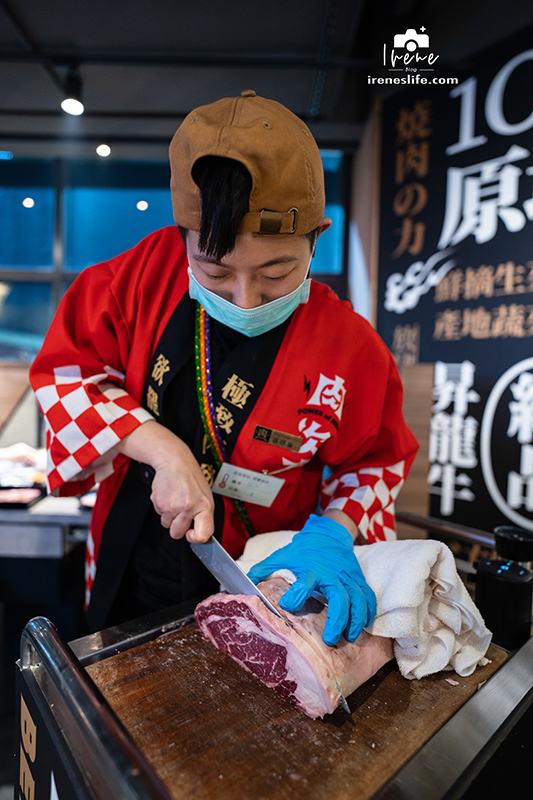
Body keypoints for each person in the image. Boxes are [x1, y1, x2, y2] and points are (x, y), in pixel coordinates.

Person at [30, 90, 418, 642]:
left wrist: (334, 532)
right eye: (214, 272)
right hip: (130, 549)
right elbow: (68, 374)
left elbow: (377, 460)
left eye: (277, 271)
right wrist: (163, 451)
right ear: (184, 239)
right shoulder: (141, 276)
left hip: (265, 576)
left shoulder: (351, 346)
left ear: (316, 241)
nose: (244, 298)